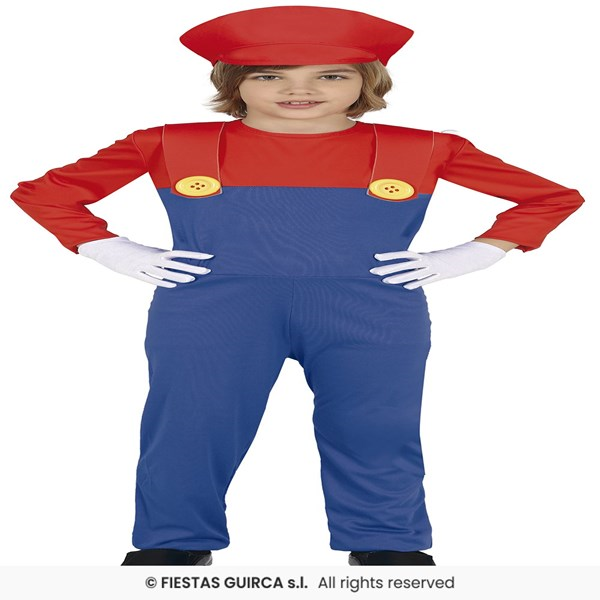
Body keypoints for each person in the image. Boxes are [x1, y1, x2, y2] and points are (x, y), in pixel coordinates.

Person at [10, 6, 584, 567]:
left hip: (372, 309)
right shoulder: (167, 142)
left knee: (376, 426)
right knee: (190, 422)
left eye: (330, 76)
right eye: (269, 76)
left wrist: (480, 251)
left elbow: (551, 197)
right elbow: (44, 194)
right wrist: (108, 248)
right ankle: (172, 541)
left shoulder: (424, 148)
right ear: (233, 81)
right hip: (210, 307)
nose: (298, 90)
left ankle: (388, 542)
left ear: (368, 80)